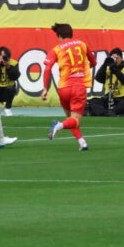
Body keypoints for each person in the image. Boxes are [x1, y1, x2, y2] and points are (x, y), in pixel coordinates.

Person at [42, 23, 97, 151]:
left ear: (59, 36)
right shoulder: (82, 44)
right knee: (75, 120)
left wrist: (45, 88)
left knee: (71, 119)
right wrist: (83, 68)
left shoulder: (56, 49)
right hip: (78, 87)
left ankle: (82, 143)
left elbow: (48, 69)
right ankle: (58, 125)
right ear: (71, 34)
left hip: (64, 89)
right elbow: (93, 62)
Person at [87, 48, 124, 116]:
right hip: (109, 99)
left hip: (123, 99)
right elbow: (98, 78)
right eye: (113, 58)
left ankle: (105, 112)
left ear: (121, 59)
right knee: (93, 102)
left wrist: (115, 70)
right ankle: (109, 113)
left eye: (117, 58)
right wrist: (105, 64)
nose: (115, 60)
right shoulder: (108, 70)